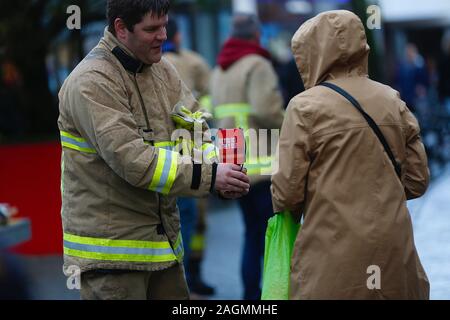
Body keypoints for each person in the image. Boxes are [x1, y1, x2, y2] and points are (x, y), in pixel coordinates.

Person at [58, 0, 250, 300]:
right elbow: (134, 162)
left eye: (164, 25)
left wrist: (220, 173)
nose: (164, 35)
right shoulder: (91, 82)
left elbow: (195, 127)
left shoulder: (162, 69)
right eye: (151, 29)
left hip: (163, 251)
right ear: (121, 28)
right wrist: (211, 178)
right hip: (112, 259)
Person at [271, 10, 430, 299]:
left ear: (310, 53)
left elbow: (286, 194)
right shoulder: (392, 100)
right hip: (393, 255)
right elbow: (417, 181)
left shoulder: (304, 107)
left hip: (330, 261)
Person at [210, 13, 285, 300]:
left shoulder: (219, 69)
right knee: (270, 237)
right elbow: (268, 109)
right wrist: (293, 121)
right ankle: (270, 297)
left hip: (234, 164)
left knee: (251, 235)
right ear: (256, 36)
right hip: (262, 166)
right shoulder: (257, 64)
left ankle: (250, 296)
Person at [162, 19, 215, 296]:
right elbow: (207, 102)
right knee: (195, 219)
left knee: (174, 217)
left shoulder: (146, 65)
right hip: (191, 153)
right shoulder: (194, 62)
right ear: (180, 36)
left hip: (161, 157)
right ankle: (193, 275)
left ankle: (178, 276)